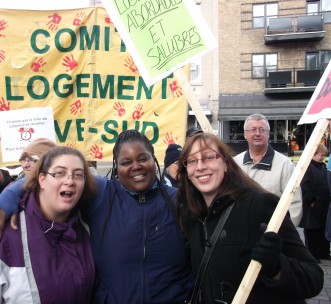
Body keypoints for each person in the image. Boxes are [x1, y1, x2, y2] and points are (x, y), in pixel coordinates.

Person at [0, 130, 194, 304]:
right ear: (116, 167)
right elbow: (53, 175)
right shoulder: (102, 193)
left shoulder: (180, 200)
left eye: (143, 158)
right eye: (126, 162)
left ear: (154, 159)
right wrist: (4, 204)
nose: (136, 166)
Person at [176, 132, 323, 304]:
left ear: (225, 164)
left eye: (209, 157)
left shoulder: (260, 204)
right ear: (186, 171)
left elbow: (313, 277)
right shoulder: (191, 216)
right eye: (192, 161)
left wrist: (277, 267)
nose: (200, 166)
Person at [0, 146, 97, 303]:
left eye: (78, 175)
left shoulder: (87, 225)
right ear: (42, 180)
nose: (70, 181)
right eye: (59, 173)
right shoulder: (8, 234)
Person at [234, 113, 303, 227]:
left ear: (268, 134)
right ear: (245, 134)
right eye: (253, 129)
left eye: (262, 129)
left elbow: (294, 203)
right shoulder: (235, 163)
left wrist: (284, 233)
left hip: (273, 233)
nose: (257, 133)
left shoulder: (285, 165)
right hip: (241, 232)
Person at [299, 144, 331, 261]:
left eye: (323, 155)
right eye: (321, 155)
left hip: (324, 203)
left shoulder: (322, 166)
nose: (322, 158)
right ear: (313, 154)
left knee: (323, 229)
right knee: (311, 231)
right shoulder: (307, 167)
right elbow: (304, 186)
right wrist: (310, 200)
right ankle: (312, 255)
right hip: (312, 204)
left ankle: (324, 253)